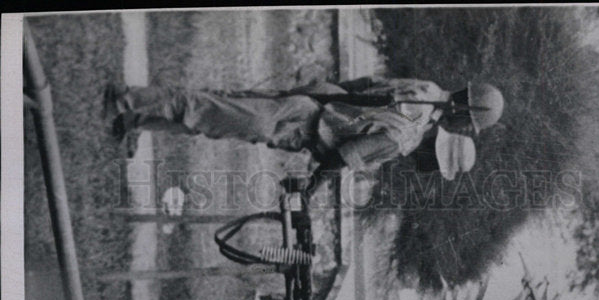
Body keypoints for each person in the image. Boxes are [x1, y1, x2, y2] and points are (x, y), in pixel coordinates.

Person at [103, 76, 503, 181]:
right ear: (462, 112)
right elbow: (342, 159)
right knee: (209, 110)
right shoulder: (406, 138)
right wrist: (312, 189)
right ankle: (125, 99)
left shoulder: (425, 88)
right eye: (467, 122)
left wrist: (326, 96)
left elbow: (363, 85)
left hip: (316, 102)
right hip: (299, 124)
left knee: (215, 115)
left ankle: (135, 119)